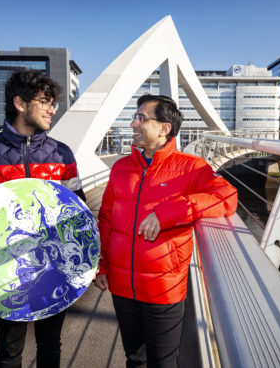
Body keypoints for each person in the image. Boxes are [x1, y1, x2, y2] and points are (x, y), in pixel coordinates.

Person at [0, 69, 85, 368]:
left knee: (51, 344)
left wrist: (84, 261)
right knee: (9, 350)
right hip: (3, 267)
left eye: (54, 103)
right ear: (20, 104)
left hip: (53, 264)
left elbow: (79, 209)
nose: (52, 109)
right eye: (45, 102)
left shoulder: (61, 154)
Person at [94, 94, 237, 367]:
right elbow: (105, 219)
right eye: (134, 117)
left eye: (140, 118)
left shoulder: (190, 167)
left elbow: (227, 197)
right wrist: (101, 265)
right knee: (134, 360)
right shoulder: (121, 168)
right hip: (122, 287)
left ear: (164, 128)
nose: (133, 123)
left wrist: (169, 213)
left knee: (163, 363)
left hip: (164, 288)